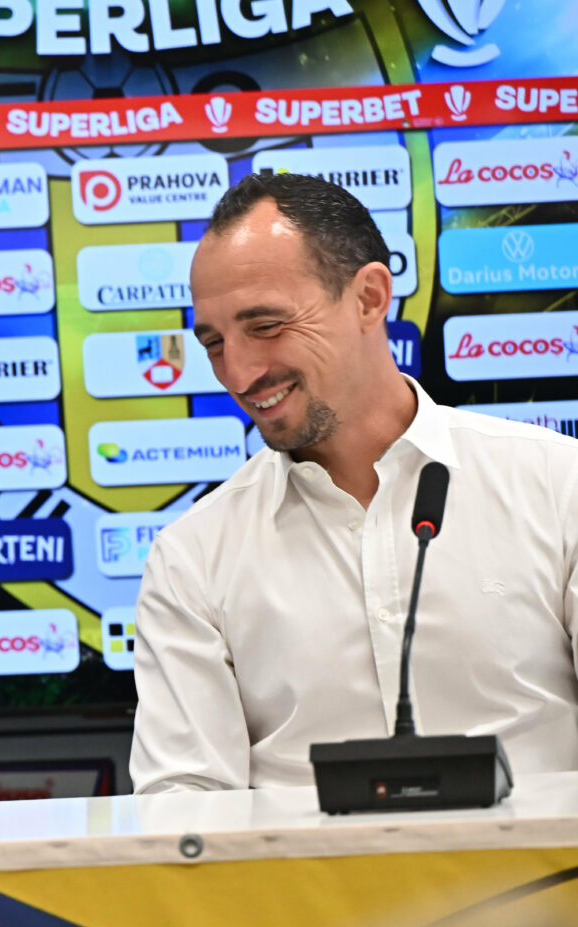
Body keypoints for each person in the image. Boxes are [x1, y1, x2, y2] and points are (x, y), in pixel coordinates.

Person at [130, 172, 578, 793]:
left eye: (265, 326)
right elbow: (182, 806)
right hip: (296, 864)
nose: (239, 373)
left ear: (369, 298)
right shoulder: (192, 558)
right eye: (213, 343)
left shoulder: (559, 486)